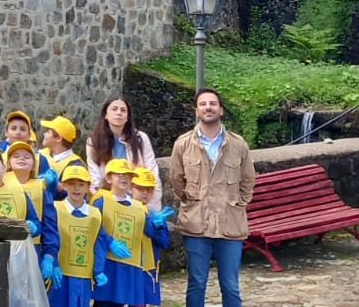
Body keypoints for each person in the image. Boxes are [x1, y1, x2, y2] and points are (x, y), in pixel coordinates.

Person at [169, 87, 255, 307]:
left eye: (213, 103)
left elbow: (247, 180)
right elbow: (177, 180)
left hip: (230, 224)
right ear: (196, 110)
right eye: (203, 104)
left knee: (230, 284)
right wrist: (191, 202)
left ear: (221, 110)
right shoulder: (183, 144)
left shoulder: (238, 145)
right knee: (197, 282)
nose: (208, 107)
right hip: (197, 224)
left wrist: (237, 203)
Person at [44, 164, 132, 307]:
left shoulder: (95, 214)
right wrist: (52, 263)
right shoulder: (55, 209)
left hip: (83, 276)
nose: (76, 188)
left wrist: (98, 271)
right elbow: (50, 239)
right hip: (60, 274)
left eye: (81, 184)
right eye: (71, 184)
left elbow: (98, 244)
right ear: (64, 185)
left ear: (87, 187)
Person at [92, 159, 173, 307]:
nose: (124, 178)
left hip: (128, 265)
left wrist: (157, 226)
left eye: (127, 175)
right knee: (104, 302)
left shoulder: (137, 207)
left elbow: (151, 232)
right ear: (109, 178)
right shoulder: (101, 200)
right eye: (119, 174)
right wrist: (110, 242)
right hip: (107, 262)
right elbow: (93, 226)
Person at [85, 97, 161, 209]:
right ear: (105, 115)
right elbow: (94, 176)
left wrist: (152, 208)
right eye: (114, 109)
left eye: (123, 110)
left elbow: (152, 172)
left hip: (138, 201)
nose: (119, 113)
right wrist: (101, 203)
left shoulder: (140, 139)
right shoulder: (94, 141)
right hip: (109, 200)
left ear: (127, 117)